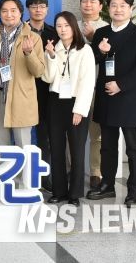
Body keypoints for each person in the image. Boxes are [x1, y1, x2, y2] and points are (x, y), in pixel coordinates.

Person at [87, 0, 136, 208]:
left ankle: (134, 192)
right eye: (114, 5)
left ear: (131, 9)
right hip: (106, 97)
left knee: (133, 149)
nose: (118, 9)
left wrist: (121, 85)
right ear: (108, 9)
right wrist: (100, 51)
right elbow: (92, 60)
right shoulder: (101, 33)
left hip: (129, 98)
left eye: (123, 5)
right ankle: (107, 185)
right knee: (107, 146)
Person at [42, 11, 95, 205]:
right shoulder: (53, 48)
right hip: (55, 102)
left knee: (76, 150)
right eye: (59, 26)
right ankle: (59, 191)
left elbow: (88, 83)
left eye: (66, 25)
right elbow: (47, 78)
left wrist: (79, 110)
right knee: (56, 148)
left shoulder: (85, 50)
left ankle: (75, 194)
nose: (62, 29)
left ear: (73, 27)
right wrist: (50, 56)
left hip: (76, 103)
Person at [0, 0, 45, 147]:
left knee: (23, 147)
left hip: (20, 98)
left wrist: (29, 53)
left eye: (13, 10)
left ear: (20, 12)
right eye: (4, 11)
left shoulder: (33, 38)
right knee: (2, 147)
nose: (9, 14)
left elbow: (39, 71)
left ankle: (24, 166)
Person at [25, 0, 59, 190]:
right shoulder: (20, 31)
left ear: (47, 9)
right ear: (28, 9)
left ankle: (45, 178)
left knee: (45, 136)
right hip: (24, 89)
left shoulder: (55, 33)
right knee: (23, 136)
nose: (38, 10)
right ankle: (24, 176)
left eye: (42, 6)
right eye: (34, 6)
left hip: (47, 91)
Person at [77, 0, 109, 189]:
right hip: (76, 88)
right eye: (85, 1)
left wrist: (92, 37)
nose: (88, 5)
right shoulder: (72, 25)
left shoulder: (107, 28)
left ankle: (96, 172)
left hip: (98, 88)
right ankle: (73, 171)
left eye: (93, 1)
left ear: (101, 6)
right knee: (73, 133)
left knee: (96, 134)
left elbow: (109, 57)